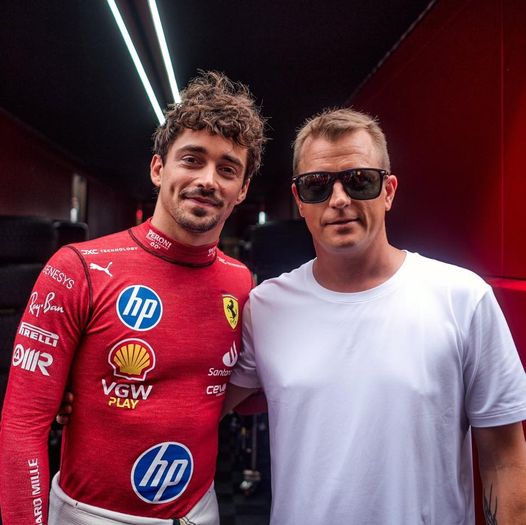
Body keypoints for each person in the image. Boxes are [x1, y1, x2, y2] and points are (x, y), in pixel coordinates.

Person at [225, 108, 526, 523]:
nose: (340, 200)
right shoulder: (265, 307)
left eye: (359, 180)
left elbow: (504, 458)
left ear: (388, 191)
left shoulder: (463, 298)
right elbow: (197, 405)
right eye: (317, 186)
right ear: (299, 202)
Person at [0, 71, 265, 525]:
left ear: (241, 189)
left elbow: (249, 391)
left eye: (227, 169)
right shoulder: (76, 268)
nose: (208, 180)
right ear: (159, 168)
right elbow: (23, 425)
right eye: (192, 159)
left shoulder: (244, 284)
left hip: (201, 512)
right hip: (90, 514)